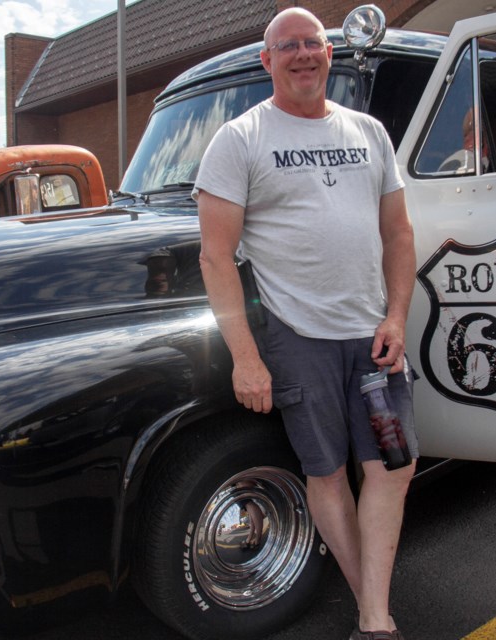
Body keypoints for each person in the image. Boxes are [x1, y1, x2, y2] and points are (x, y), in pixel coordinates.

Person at [194, 8, 418, 640]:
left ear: (329, 54)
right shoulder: (239, 139)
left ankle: (372, 611)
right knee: (325, 474)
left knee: (391, 468)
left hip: (373, 336)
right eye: (286, 46)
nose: (301, 54)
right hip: (299, 340)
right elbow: (216, 256)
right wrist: (245, 355)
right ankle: (375, 616)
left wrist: (396, 317)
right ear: (267, 61)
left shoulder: (369, 132)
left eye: (312, 43)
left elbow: (398, 233)